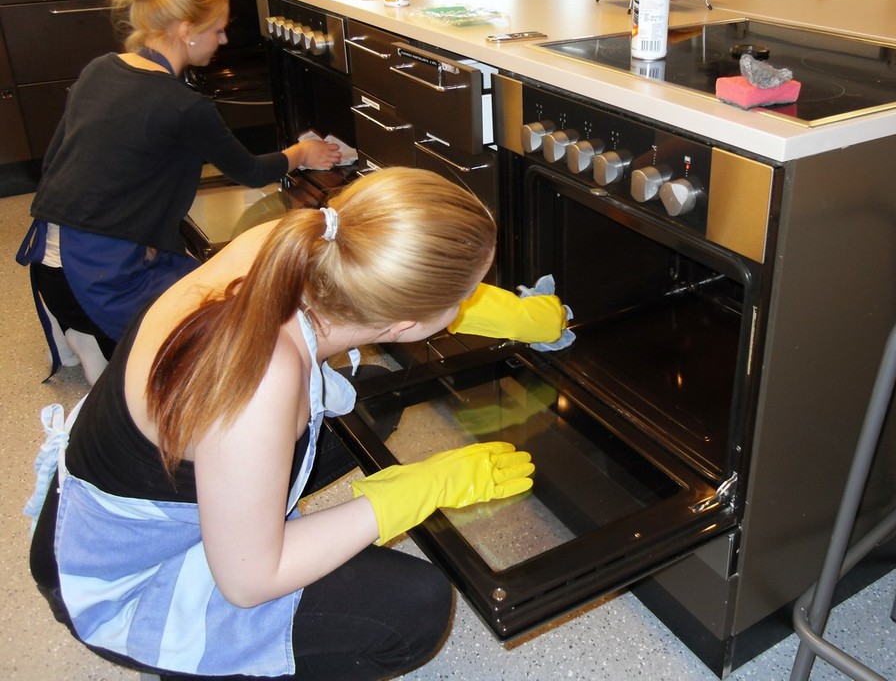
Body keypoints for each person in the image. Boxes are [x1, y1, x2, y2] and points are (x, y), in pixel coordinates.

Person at [28, 167, 554, 680]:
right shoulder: (259, 383)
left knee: (376, 396)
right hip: (122, 574)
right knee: (416, 607)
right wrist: (414, 491)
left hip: (147, 480)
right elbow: (250, 580)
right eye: (464, 298)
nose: (468, 304)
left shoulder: (301, 240)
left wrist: (511, 315)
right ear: (403, 324)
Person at [16, 0, 340, 382]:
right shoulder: (184, 106)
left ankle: (74, 334)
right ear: (187, 31)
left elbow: (60, 163)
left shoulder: (100, 69)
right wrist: (302, 153)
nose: (223, 40)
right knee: (217, 323)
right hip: (96, 276)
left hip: (48, 260)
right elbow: (249, 171)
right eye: (218, 30)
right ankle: (94, 343)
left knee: (182, 281)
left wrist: (147, 234)